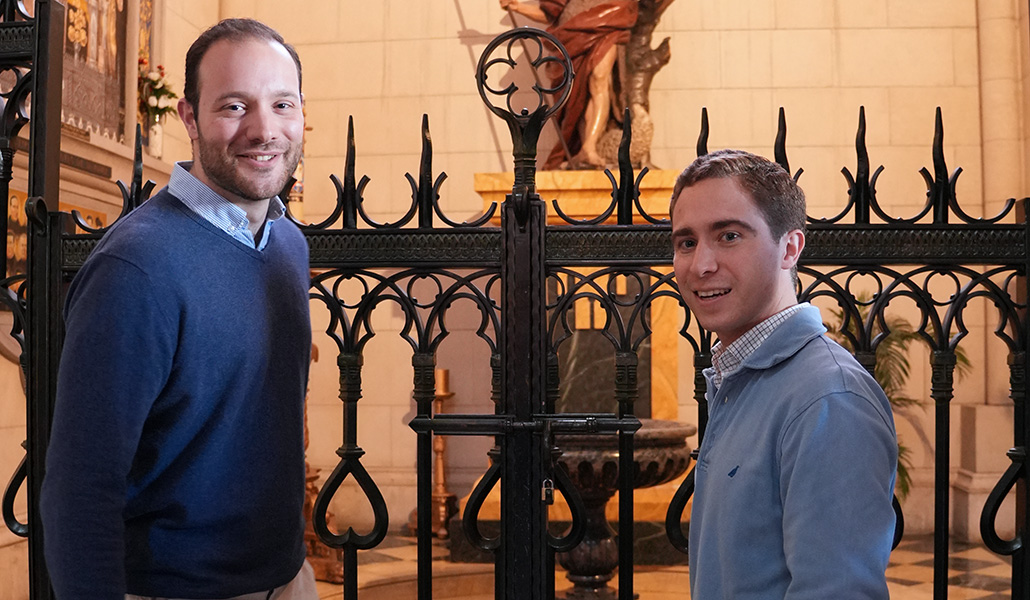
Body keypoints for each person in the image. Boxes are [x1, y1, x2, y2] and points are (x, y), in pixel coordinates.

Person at [40, 18, 317, 600]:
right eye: (234, 106)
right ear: (189, 117)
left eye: (282, 104)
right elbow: (81, 486)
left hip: (288, 579)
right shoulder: (137, 266)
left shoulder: (288, 246)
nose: (264, 130)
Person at [670, 149, 897, 598]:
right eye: (686, 242)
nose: (701, 265)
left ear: (790, 248)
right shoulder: (741, 380)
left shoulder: (829, 398)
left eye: (729, 236)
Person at [500, 0, 638, 169]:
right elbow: (550, 13)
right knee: (578, 94)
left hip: (611, 21)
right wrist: (518, 7)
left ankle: (589, 146)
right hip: (573, 37)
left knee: (599, 78)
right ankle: (583, 147)